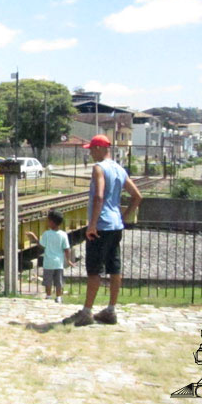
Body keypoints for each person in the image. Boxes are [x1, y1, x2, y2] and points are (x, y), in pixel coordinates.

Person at [63, 134, 142, 327]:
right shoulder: (119, 169)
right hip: (116, 224)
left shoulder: (99, 168)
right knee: (114, 268)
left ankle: (87, 311)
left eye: (91, 149)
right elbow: (137, 196)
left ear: (99, 149)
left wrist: (92, 224)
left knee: (94, 270)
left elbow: (98, 196)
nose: (90, 153)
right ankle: (111, 309)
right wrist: (124, 217)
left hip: (101, 225)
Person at [25, 209, 73, 302]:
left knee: (48, 281)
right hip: (59, 263)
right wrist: (69, 260)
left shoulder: (46, 234)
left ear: (51, 222)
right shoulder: (63, 235)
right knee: (58, 281)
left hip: (48, 262)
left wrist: (34, 237)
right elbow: (67, 249)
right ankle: (59, 297)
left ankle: (48, 295)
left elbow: (41, 245)